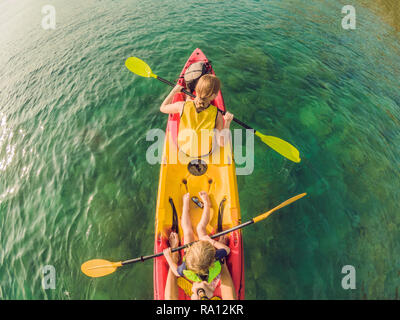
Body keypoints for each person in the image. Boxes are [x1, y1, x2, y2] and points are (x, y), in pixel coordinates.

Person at [163, 191, 236, 299]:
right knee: (200, 229)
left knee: (187, 232)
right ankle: (206, 204)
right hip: (201, 251)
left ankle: (185, 207)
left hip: (195, 254)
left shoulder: (186, 267)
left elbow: (176, 272)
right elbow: (227, 250)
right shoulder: (215, 257)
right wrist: (210, 241)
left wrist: (169, 258)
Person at [159, 75, 234, 156]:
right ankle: (188, 97)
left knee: (188, 103)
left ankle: (188, 95)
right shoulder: (217, 114)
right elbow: (222, 143)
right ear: (214, 96)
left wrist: (174, 91)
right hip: (204, 153)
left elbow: (162, 108)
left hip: (183, 149)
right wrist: (227, 122)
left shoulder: (182, 106)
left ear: (196, 89)